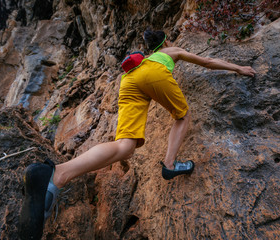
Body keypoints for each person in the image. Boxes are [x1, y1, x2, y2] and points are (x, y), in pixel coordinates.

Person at [19, 28, 256, 239]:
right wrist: (237, 68)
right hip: (153, 74)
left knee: (125, 147)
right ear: (164, 41)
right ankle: (170, 164)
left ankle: (57, 175)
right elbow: (207, 61)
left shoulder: (142, 60)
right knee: (182, 116)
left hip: (129, 81)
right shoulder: (170, 50)